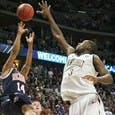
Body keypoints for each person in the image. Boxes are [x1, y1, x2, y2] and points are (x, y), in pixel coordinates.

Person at [37, 1, 113, 115]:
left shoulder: (93, 57)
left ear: (88, 47)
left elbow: (109, 78)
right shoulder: (71, 53)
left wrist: (98, 79)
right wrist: (48, 15)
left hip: (88, 97)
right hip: (73, 103)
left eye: (82, 42)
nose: (79, 43)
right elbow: (58, 35)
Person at [0, 22, 35, 115]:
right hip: (9, 100)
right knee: (28, 107)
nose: (14, 64)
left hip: (18, 106)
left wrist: (30, 45)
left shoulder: (22, 75)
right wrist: (19, 34)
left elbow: (28, 64)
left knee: (29, 108)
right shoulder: (6, 70)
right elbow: (14, 52)